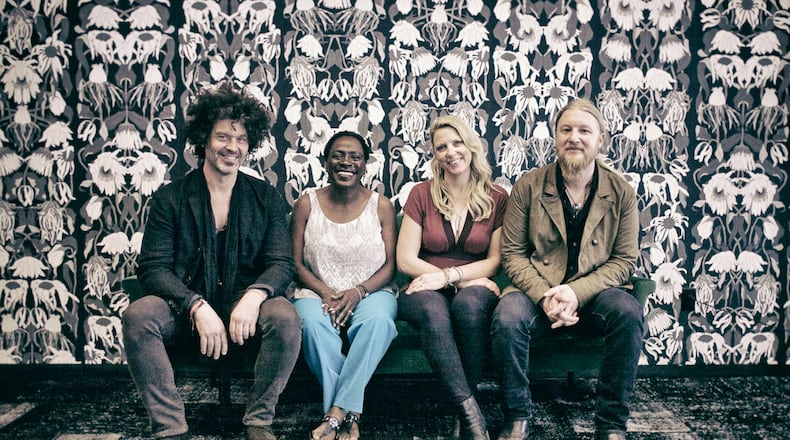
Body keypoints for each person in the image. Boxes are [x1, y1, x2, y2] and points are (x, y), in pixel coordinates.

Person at [122, 82, 301, 440]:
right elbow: (153, 267)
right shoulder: (170, 198)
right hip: (182, 305)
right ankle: (170, 428)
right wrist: (195, 305)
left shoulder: (265, 197)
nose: (232, 147)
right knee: (137, 316)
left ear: (250, 146)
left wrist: (255, 296)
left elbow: (281, 262)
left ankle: (258, 421)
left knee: (284, 318)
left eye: (241, 140)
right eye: (223, 137)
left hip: (243, 304)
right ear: (204, 138)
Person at [491, 98, 643, 440]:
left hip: (595, 296)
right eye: (566, 130)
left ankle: (611, 425)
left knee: (629, 312)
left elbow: (624, 261)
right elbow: (513, 254)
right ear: (555, 138)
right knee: (507, 317)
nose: (574, 137)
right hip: (538, 292)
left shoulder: (621, 192)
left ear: (601, 139)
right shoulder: (529, 186)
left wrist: (575, 292)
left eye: (584, 131)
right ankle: (516, 416)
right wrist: (547, 297)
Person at [396, 115, 508, 440]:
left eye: (457, 143)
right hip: (422, 284)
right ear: (434, 155)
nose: (450, 152)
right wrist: (447, 279)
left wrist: (452, 278)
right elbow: (406, 258)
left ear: (471, 146)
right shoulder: (421, 193)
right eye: (441, 147)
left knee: (470, 305)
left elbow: (495, 261)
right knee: (433, 308)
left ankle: (463, 422)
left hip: (473, 285)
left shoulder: (497, 197)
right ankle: (470, 413)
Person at [290, 131, 398, 440]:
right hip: (316, 289)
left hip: (371, 291)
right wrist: (326, 292)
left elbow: (390, 267)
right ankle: (350, 415)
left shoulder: (382, 206)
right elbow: (295, 263)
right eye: (338, 155)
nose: (346, 162)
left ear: (365, 165)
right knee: (310, 324)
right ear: (325, 161)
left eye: (355, 156)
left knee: (378, 321)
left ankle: (335, 413)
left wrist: (358, 291)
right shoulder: (306, 203)